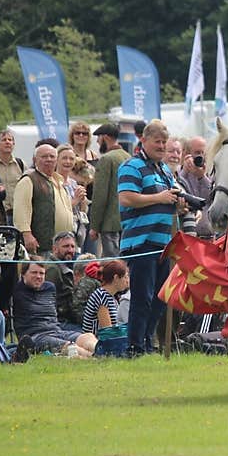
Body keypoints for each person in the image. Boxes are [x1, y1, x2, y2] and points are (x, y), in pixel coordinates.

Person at [118, 118, 182, 355]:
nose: (162, 146)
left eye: (165, 142)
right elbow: (126, 198)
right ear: (143, 140)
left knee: (160, 297)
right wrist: (159, 198)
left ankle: (147, 340)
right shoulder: (131, 166)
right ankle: (135, 345)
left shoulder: (164, 169)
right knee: (142, 297)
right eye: (158, 142)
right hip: (142, 242)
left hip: (164, 243)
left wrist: (180, 201)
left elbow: (170, 196)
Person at [12, 257, 97, 357]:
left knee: (87, 336)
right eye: (34, 273)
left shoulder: (50, 288)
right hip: (35, 336)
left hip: (57, 330)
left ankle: (102, 351)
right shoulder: (17, 290)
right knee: (70, 347)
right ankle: (97, 357)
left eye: (42, 273)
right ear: (23, 274)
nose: (38, 276)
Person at [13, 143, 74, 256]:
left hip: (62, 245)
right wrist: (26, 234)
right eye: (44, 156)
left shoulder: (58, 180)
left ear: (56, 160)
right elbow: (21, 210)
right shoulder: (29, 180)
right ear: (35, 160)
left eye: (52, 156)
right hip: (42, 245)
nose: (49, 159)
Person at [88, 123, 131, 257]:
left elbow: (100, 195)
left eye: (99, 138)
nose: (97, 141)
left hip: (110, 224)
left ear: (105, 137)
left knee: (111, 266)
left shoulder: (106, 159)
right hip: (128, 222)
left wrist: (94, 226)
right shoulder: (128, 157)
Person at [176, 135, 213, 239]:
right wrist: (185, 171)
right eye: (197, 153)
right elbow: (178, 188)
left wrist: (202, 177)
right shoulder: (178, 172)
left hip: (209, 237)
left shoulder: (211, 172)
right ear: (187, 153)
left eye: (203, 153)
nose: (201, 157)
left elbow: (212, 197)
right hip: (187, 236)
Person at [0, 129, 26, 226]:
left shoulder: (20, 164)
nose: (7, 142)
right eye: (4, 140)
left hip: (18, 214)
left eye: (10, 140)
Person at [43, 231, 79, 331]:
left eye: (72, 246)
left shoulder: (64, 266)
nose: (70, 250)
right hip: (58, 323)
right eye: (66, 246)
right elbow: (48, 302)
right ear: (55, 249)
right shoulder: (52, 269)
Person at [81, 259, 129, 335]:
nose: (127, 281)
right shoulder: (101, 296)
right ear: (116, 278)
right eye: (125, 277)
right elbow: (107, 331)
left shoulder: (112, 298)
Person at [56, 144, 89, 248]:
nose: (68, 162)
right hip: (59, 235)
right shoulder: (53, 182)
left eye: (71, 158)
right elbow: (57, 210)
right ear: (56, 160)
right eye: (64, 158)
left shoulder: (73, 183)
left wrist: (83, 201)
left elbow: (83, 211)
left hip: (75, 235)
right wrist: (75, 200)